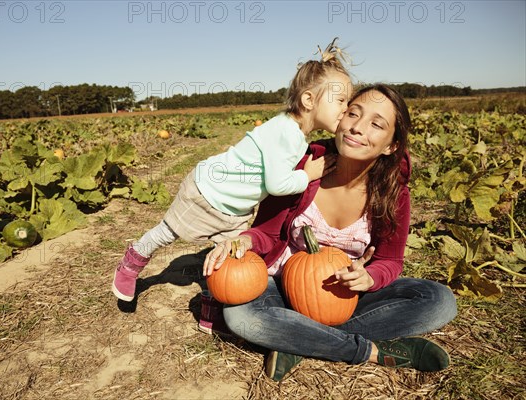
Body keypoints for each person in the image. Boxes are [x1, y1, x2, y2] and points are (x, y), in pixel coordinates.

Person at [203, 84, 458, 380]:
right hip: (284, 288)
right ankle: (369, 352)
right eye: (353, 113)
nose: (358, 128)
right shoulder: (305, 169)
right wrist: (243, 240)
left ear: (391, 145)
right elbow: (268, 233)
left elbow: (391, 260)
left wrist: (370, 277)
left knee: (438, 300)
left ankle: (296, 338)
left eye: (376, 124)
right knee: (243, 317)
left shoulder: (393, 194)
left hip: (348, 296)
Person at [112, 38, 353, 306]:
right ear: (309, 100)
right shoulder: (283, 132)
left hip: (236, 210)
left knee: (230, 257)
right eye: (340, 100)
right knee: (167, 232)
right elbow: (276, 184)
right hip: (208, 192)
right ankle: (132, 262)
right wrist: (306, 176)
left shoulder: (297, 135)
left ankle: (214, 303)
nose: (346, 108)